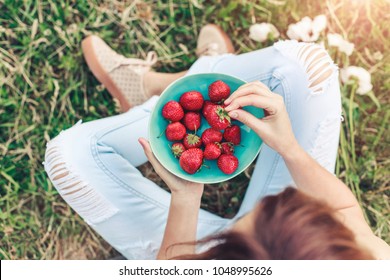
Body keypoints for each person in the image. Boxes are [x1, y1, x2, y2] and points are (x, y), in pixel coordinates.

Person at [43, 24, 390, 260]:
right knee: (304, 70)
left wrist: (186, 197)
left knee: (67, 157)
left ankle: (178, 80)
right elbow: (345, 212)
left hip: (197, 251)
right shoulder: (363, 261)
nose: (265, 205)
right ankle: (169, 80)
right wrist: (289, 148)